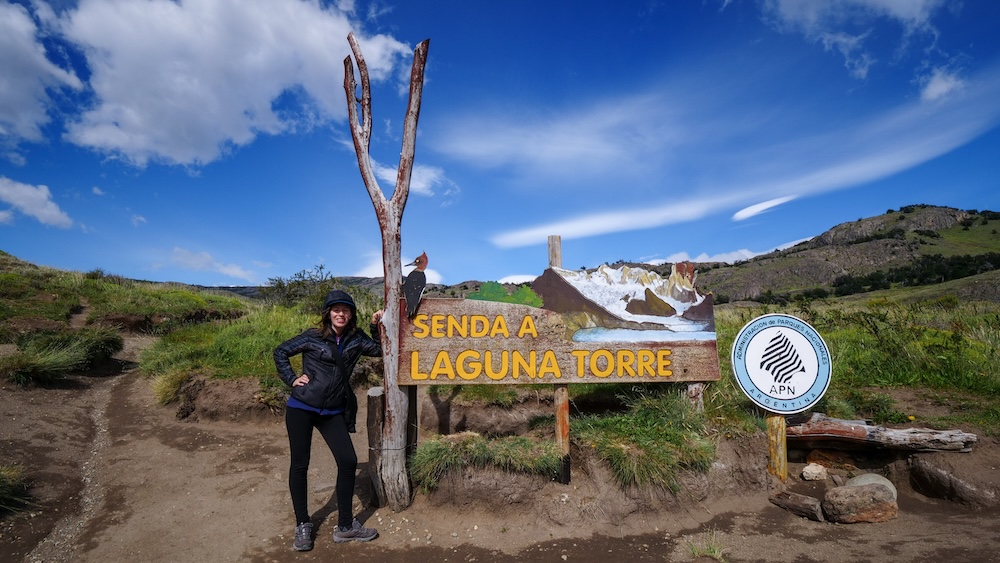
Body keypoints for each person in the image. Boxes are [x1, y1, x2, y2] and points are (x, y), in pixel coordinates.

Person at [273, 289, 383, 551]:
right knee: (300, 464)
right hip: (301, 407)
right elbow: (281, 351)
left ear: (351, 314)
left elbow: (379, 350)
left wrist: (374, 326)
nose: (341, 314)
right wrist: (291, 379)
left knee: (347, 461)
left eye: (345, 310)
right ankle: (302, 524)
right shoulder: (313, 336)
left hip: (332, 411)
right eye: (336, 309)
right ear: (328, 313)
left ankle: (345, 526)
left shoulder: (356, 339)